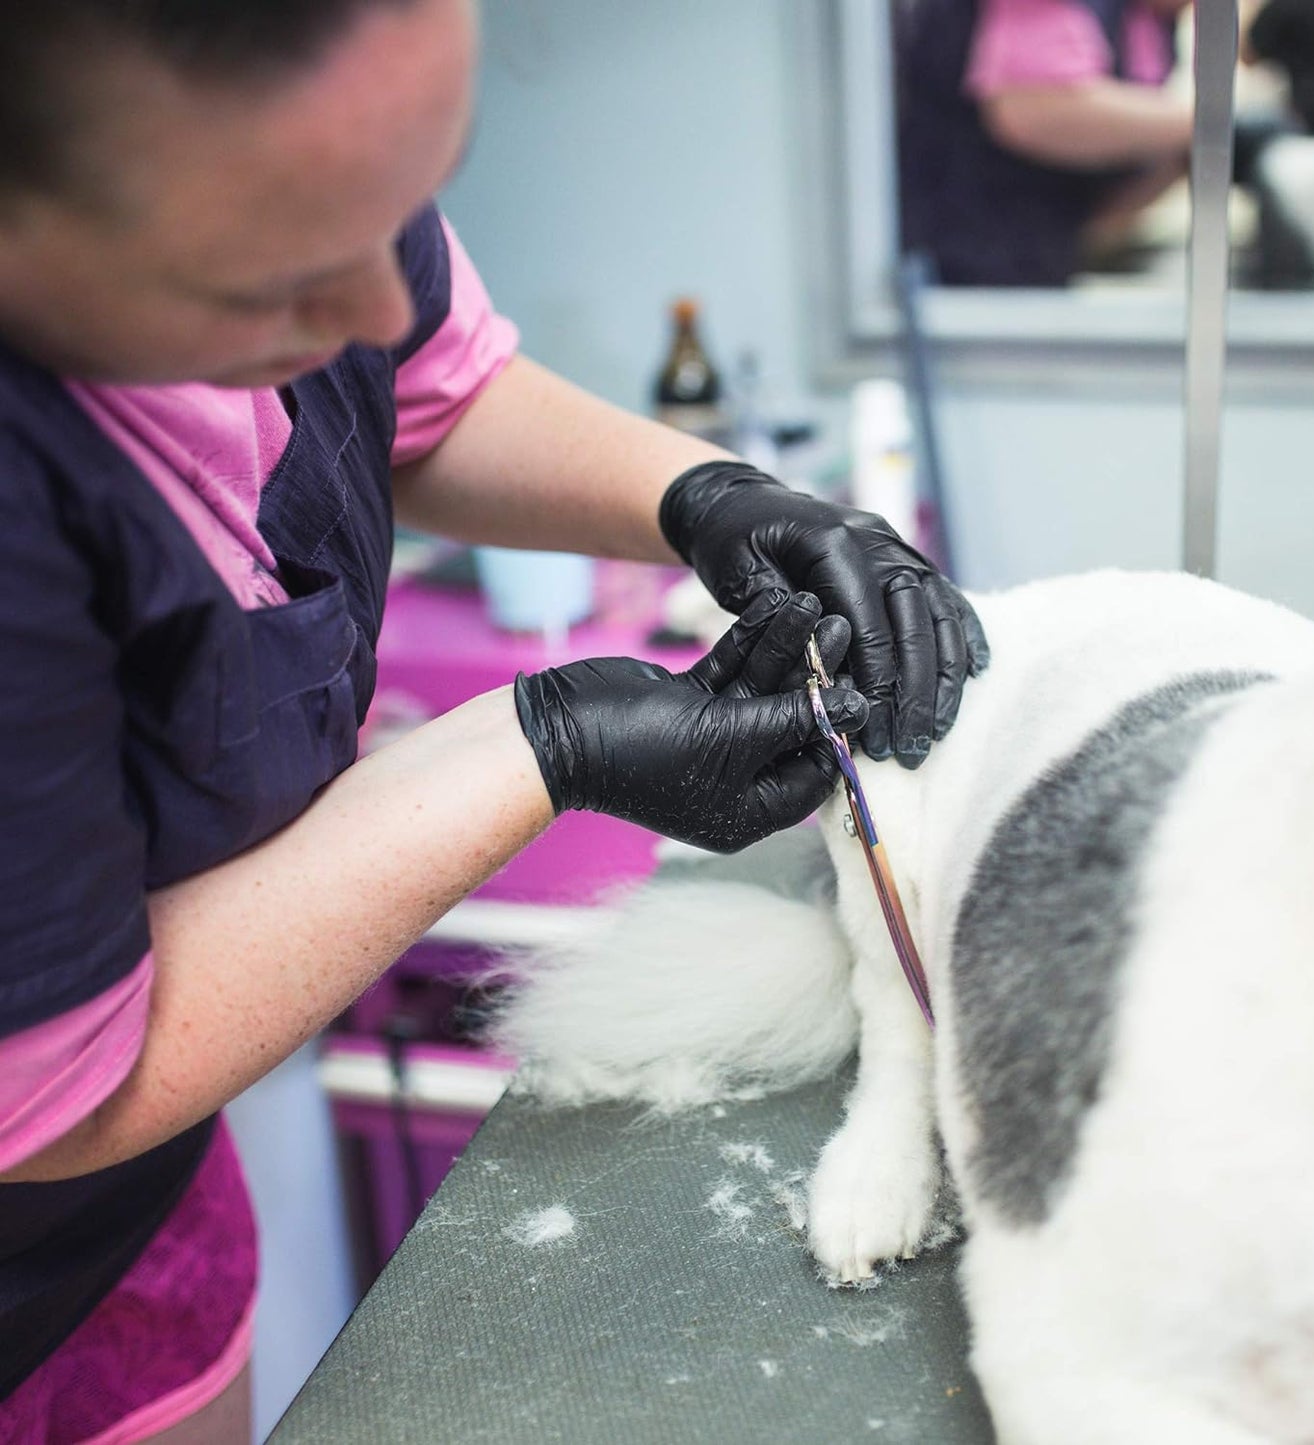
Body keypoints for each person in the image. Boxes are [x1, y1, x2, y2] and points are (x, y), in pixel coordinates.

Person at [0, 1, 987, 1439]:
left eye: (406, 199)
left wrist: (711, 496)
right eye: (268, 284)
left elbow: (431, 390)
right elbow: (58, 1086)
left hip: (144, 1236)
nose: (378, 313)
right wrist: (544, 744)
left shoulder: (300, 181)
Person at [894, 0, 1196, 286]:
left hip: (1030, 267)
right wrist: (1209, 125)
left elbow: (1101, 209)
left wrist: (1185, 157)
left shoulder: (1150, 23)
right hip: (945, 270)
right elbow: (1030, 105)